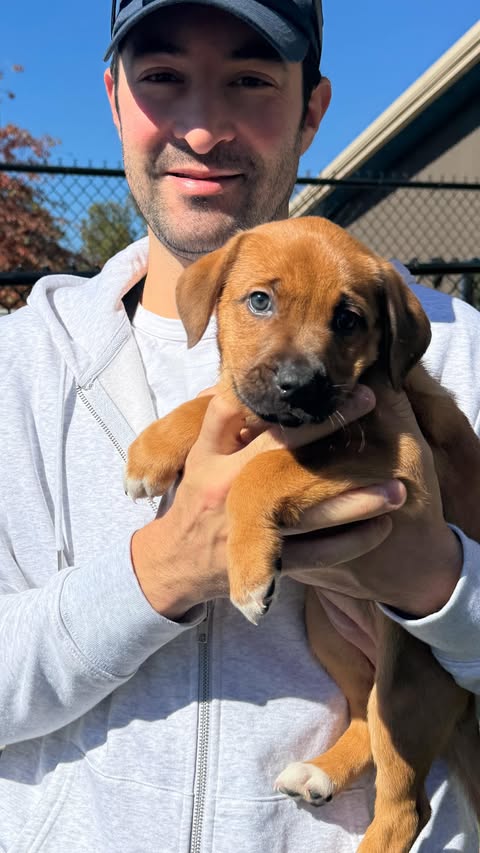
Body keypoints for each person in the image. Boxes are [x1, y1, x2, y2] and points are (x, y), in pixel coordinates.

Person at [0, 1, 479, 850]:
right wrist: (160, 573)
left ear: (314, 107)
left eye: (251, 80)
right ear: (113, 96)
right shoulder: (21, 365)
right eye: (163, 77)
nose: (204, 126)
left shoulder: (449, 344)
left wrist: (445, 589)